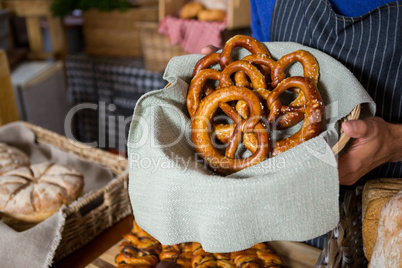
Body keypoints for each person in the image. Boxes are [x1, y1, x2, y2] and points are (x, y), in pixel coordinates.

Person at [201, 0, 402, 249]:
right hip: (276, 223)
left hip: (386, 227)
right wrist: (232, 70)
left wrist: (394, 142)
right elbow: (260, 65)